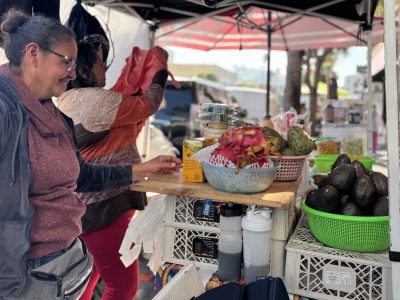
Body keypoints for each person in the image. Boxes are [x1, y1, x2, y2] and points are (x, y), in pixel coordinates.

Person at [0, 9, 181, 300]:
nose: (73, 72)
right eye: (66, 61)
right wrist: (10, 287)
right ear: (33, 54)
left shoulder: (54, 112)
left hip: (61, 265)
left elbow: (80, 175)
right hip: (24, 279)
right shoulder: (5, 110)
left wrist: (141, 169)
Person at [56, 42, 169, 299]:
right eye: (98, 62)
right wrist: (159, 69)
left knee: (86, 282)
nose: (104, 66)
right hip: (105, 208)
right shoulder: (95, 101)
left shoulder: (67, 99)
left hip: (87, 208)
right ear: (84, 69)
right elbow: (148, 103)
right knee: (123, 288)